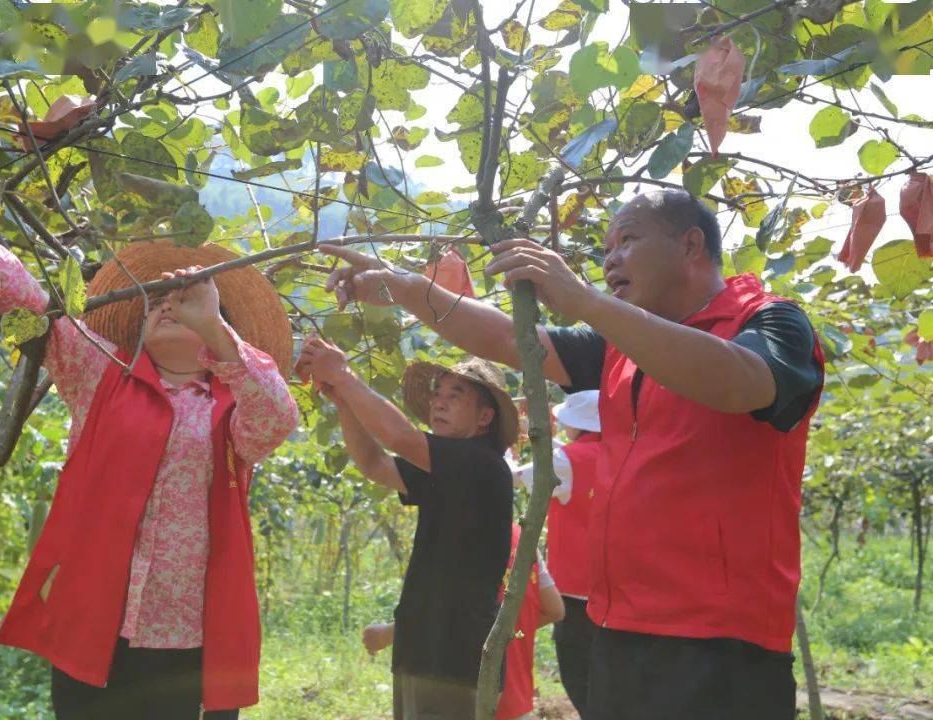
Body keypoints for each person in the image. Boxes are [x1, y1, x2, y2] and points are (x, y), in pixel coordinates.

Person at [320, 188, 825, 719]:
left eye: (628, 239)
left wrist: (584, 300)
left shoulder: (771, 323)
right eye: (607, 247)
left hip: (720, 645)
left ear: (690, 245)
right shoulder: (621, 346)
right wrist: (401, 287)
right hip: (617, 630)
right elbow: (513, 340)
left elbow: (742, 383)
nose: (610, 259)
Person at [0, 232, 299, 719]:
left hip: (187, 639)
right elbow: (23, 294)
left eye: (184, 303)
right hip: (91, 625)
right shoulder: (100, 375)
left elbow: (279, 418)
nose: (167, 307)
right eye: (155, 302)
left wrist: (214, 327)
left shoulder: (236, 408)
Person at [296, 337, 515, 719]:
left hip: (456, 655)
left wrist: (343, 377)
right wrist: (344, 401)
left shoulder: (482, 464)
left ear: (484, 418)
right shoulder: (445, 466)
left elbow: (398, 437)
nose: (439, 402)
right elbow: (373, 463)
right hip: (422, 648)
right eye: (438, 394)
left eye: (455, 395)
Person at [362, 522, 565, 720]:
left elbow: (442, 615)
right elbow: (555, 609)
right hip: (516, 703)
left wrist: (384, 635)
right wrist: (507, 628)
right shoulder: (523, 538)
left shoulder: (455, 540)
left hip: (466, 700)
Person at [508, 391, 601, 717]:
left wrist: (506, 448)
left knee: (581, 680)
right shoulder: (625, 452)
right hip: (620, 594)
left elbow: (514, 478)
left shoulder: (567, 461)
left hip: (576, 598)